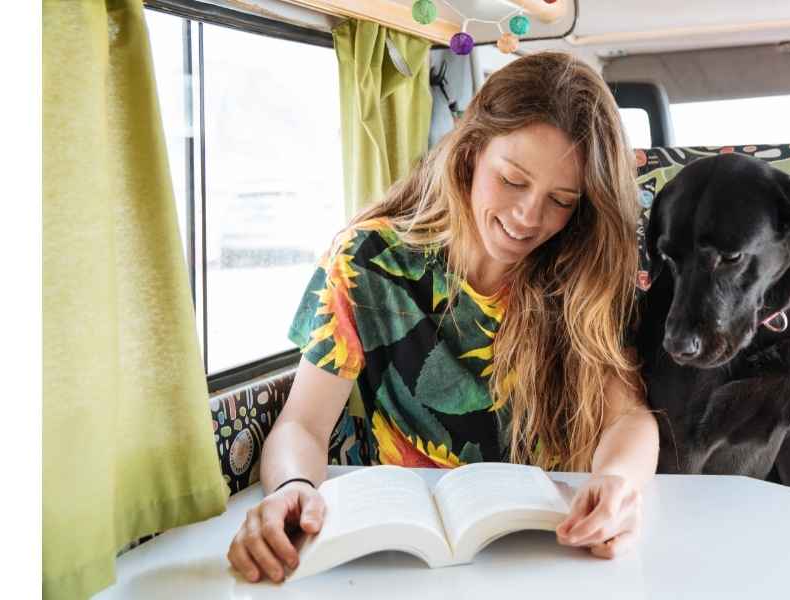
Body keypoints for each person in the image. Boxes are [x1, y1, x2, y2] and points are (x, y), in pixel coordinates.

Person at [227, 51, 660, 583]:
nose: (528, 217)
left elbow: (628, 418)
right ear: (471, 152)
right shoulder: (365, 262)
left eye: (561, 200)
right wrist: (295, 488)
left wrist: (619, 481)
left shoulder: (584, 273)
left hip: (548, 556)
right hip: (396, 563)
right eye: (513, 180)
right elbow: (303, 425)